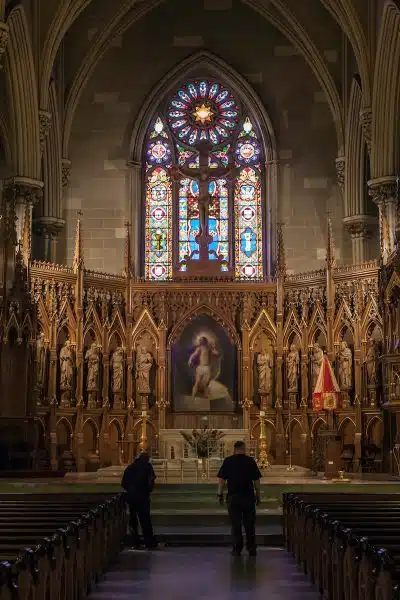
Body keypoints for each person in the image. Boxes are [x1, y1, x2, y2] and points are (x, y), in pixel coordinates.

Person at [217, 440, 262, 557]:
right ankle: (251, 549)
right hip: (248, 496)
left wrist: (219, 494)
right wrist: (258, 495)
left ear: (234, 449)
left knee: (235, 524)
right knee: (249, 524)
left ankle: (237, 549)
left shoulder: (228, 461)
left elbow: (221, 479)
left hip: (233, 497)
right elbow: (256, 480)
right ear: (244, 448)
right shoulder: (250, 461)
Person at [121, 451, 157, 549]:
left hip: (132, 497)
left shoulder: (131, 467)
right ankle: (149, 543)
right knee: (145, 520)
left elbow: (124, 483)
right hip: (143, 497)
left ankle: (135, 543)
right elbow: (151, 479)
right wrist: (148, 490)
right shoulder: (148, 467)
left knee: (133, 521)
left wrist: (131, 491)